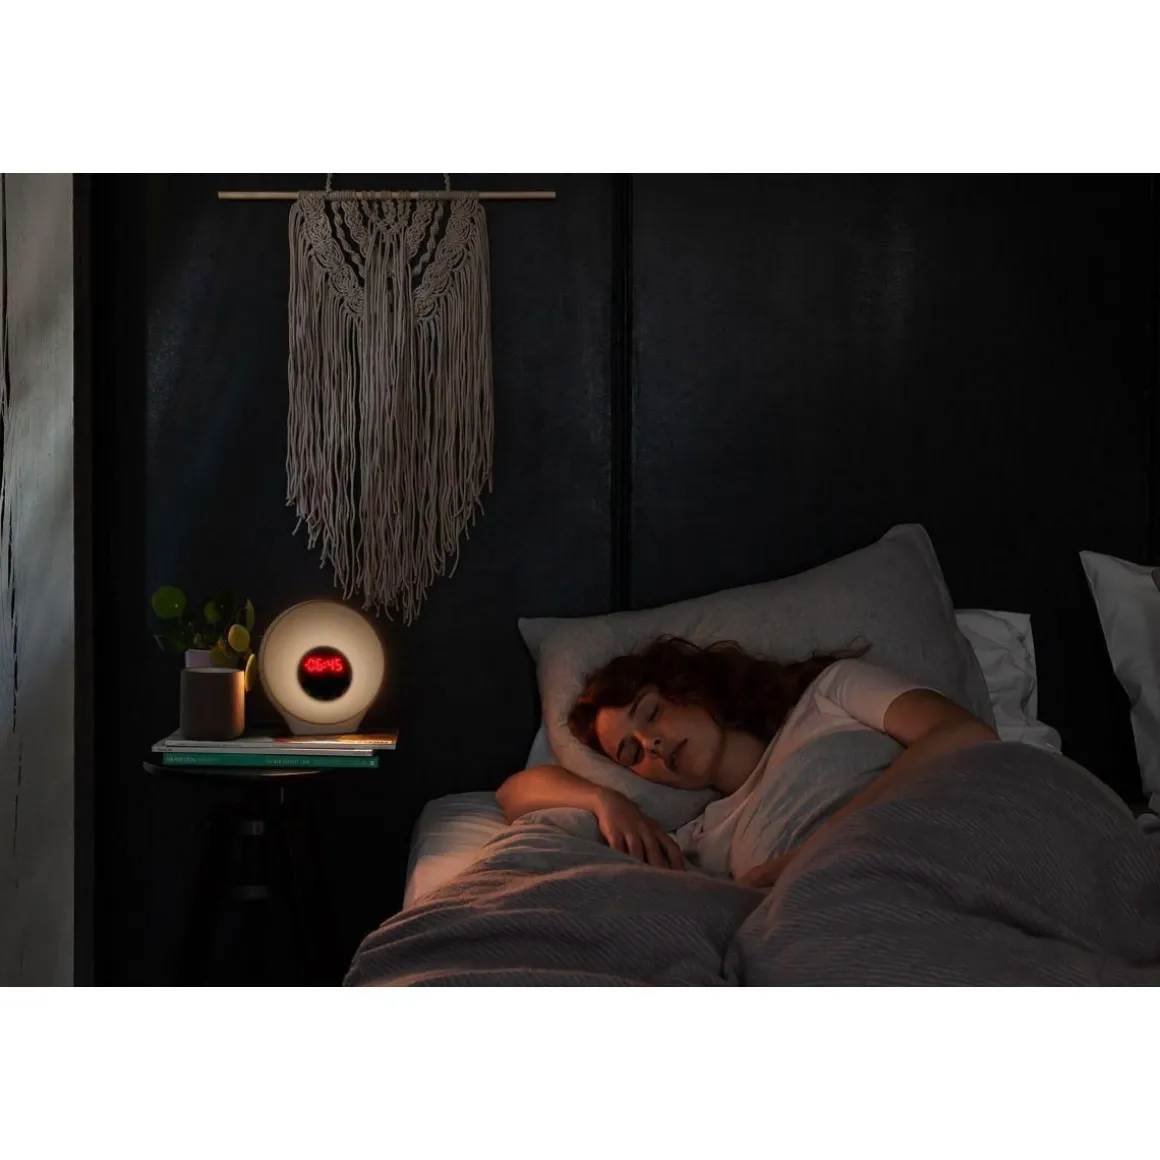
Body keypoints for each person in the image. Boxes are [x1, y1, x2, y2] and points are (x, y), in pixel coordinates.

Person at [495, 636, 997, 887]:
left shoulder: (831, 694)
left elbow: (965, 735)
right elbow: (512, 793)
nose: (651, 744)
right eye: (632, 753)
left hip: (944, 855)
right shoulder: (702, 838)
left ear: (688, 688)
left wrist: (804, 856)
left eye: (650, 713)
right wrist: (604, 800)